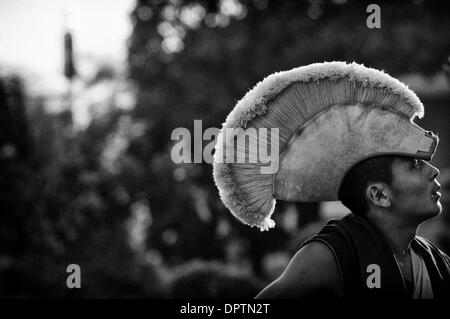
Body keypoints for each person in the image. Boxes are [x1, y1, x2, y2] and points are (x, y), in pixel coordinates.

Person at [212, 61, 450, 299]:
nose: (434, 171)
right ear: (379, 195)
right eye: (415, 165)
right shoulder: (332, 255)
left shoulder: (436, 262)